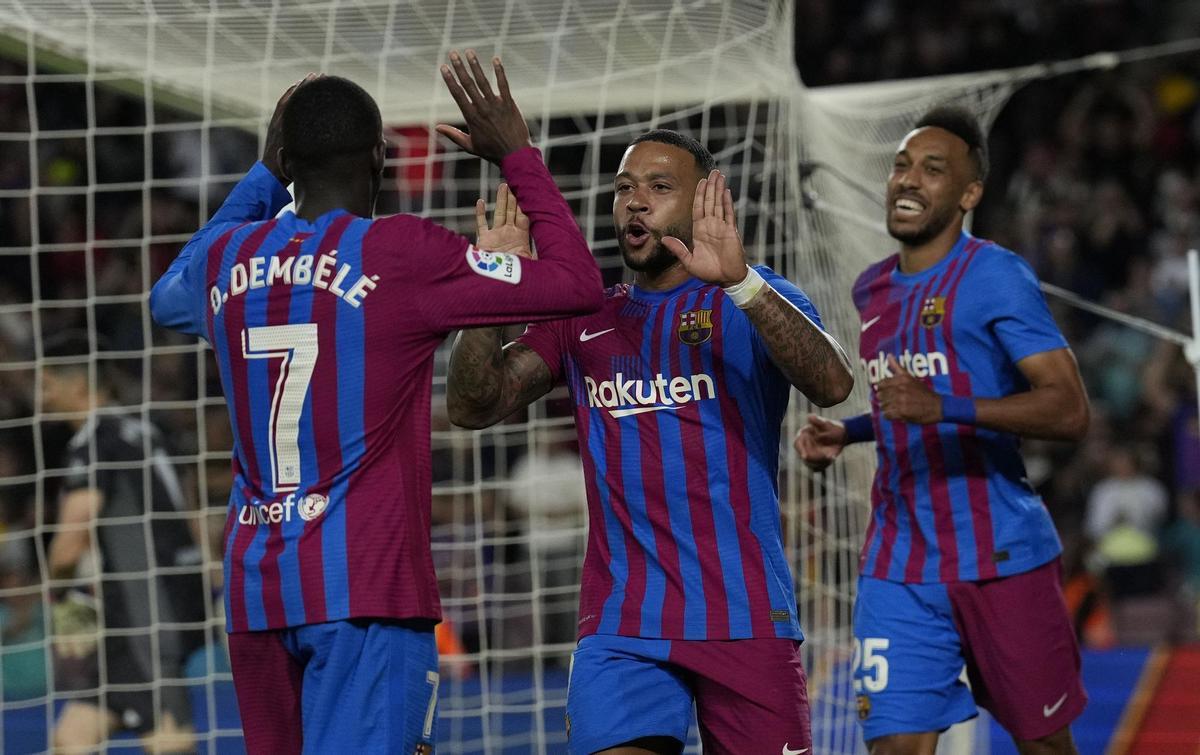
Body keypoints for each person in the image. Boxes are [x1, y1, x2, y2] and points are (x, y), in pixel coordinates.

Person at [149, 52, 604, 753]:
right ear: (378, 160)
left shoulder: (226, 258)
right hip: (364, 591)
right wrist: (517, 154)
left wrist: (263, 176)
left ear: (287, 159)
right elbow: (578, 282)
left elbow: (165, 296)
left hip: (257, 594)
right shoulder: (401, 253)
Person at [447, 130, 854, 754]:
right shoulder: (584, 320)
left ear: (705, 201)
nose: (635, 203)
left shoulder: (751, 298)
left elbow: (832, 383)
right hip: (622, 622)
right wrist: (494, 282)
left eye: (660, 188)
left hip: (741, 615)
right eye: (624, 189)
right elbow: (472, 405)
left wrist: (741, 282)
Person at [795, 106, 1091, 755]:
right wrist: (850, 432)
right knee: (896, 745)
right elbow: (908, 408)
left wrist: (945, 407)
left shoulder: (995, 274)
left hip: (1001, 556)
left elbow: (1069, 410)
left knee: (1044, 743)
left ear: (969, 193)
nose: (908, 179)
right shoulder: (871, 290)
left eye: (933, 169)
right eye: (902, 165)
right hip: (898, 562)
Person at [41, 331, 204, 753]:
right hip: (168, 590)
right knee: (71, 738)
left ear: (77, 386)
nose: (39, 395)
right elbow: (188, 504)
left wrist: (55, 593)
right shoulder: (144, 426)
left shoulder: (94, 442)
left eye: (46, 384)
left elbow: (72, 539)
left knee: (171, 741)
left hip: (144, 612)